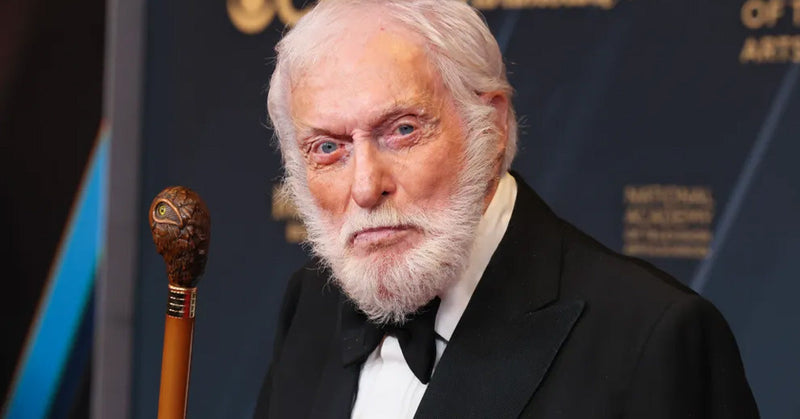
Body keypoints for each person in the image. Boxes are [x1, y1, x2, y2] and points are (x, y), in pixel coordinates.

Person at [254, 0, 758, 417]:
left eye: (403, 130)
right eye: (328, 148)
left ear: (491, 127)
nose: (366, 187)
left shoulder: (655, 338)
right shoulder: (311, 305)